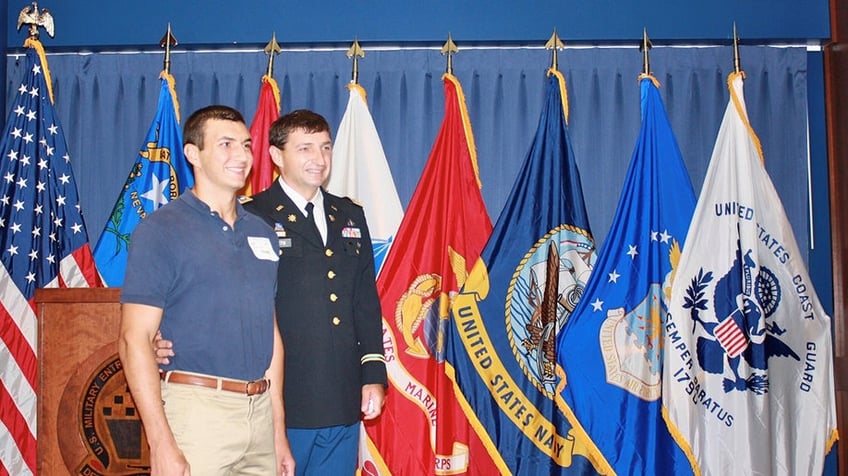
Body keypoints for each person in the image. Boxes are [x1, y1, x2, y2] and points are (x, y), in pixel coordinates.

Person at [156, 109, 388, 475]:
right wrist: (163, 334)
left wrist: (372, 373)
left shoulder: (349, 215)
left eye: (325, 148)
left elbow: (363, 300)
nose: (319, 159)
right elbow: (218, 295)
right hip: (282, 395)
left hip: (343, 392)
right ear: (277, 156)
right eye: (306, 149)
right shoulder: (252, 216)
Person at [118, 105, 295, 475]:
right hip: (196, 413)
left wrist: (278, 432)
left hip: (260, 413)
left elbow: (271, 334)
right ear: (192, 154)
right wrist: (161, 442)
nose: (242, 156)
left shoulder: (262, 232)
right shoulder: (160, 230)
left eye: (246, 145)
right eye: (226, 144)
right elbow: (134, 338)